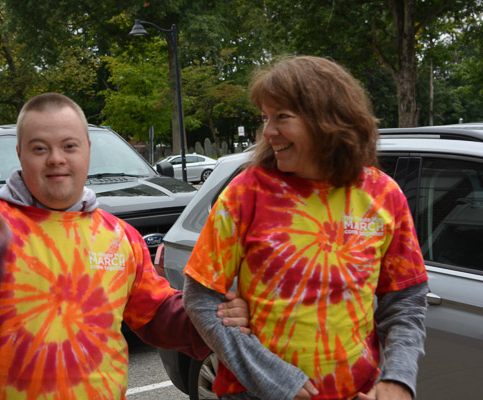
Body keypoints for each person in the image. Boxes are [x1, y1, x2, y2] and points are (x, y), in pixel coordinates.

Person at [0, 92, 250, 399]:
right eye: (40, 149)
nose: (56, 159)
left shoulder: (119, 236)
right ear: (20, 154)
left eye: (69, 146)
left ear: (87, 150)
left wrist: (211, 315)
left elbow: (155, 313)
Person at [182, 56, 429, 400]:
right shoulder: (246, 192)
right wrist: (272, 377)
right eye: (265, 117)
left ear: (328, 119)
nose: (268, 132)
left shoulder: (383, 194)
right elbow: (200, 297)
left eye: (282, 117)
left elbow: (406, 300)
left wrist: (398, 379)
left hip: (356, 391)